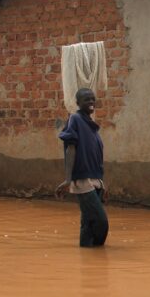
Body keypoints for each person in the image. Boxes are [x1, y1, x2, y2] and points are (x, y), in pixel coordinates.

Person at [55, 88, 109, 247]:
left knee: (88, 223)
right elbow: (71, 148)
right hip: (83, 180)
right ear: (78, 103)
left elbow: (96, 156)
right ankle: (98, 252)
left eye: (93, 99)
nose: (91, 102)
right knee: (101, 221)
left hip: (95, 179)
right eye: (87, 99)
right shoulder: (75, 119)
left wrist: (103, 183)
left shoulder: (92, 125)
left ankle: (88, 259)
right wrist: (68, 179)